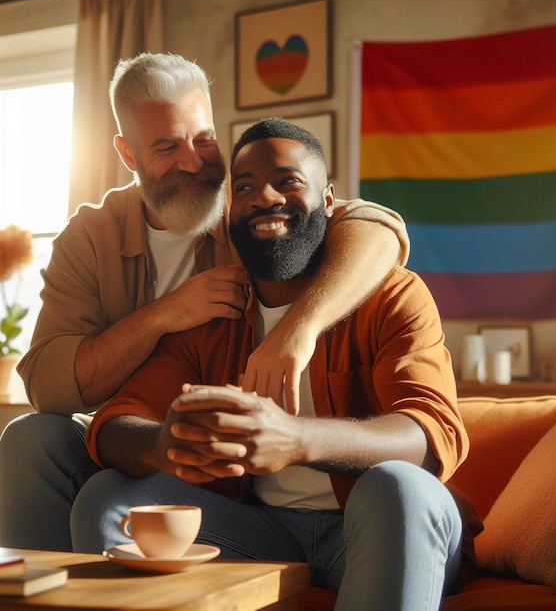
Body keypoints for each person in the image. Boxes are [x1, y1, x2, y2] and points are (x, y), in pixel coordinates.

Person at [0, 53, 409, 551]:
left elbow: (376, 229)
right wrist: (164, 315)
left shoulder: (250, 210)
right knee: (29, 438)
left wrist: (296, 329)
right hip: (136, 447)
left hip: (236, 464)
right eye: (167, 146)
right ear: (128, 155)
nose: (192, 162)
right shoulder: (89, 236)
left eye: (204, 139)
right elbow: (46, 384)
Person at [70, 118, 478, 611]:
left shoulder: (393, 294)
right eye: (245, 187)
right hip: (257, 532)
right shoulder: (209, 314)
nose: (265, 197)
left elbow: (432, 435)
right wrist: (162, 443)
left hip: (380, 527)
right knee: (106, 497)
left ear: (329, 203)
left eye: (288, 181)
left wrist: (298, 439)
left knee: (398, 487)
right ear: (227, 217)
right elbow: (116, 421)